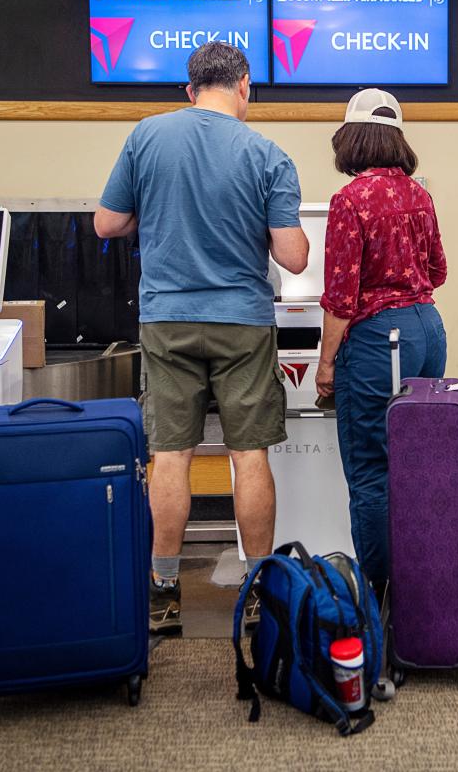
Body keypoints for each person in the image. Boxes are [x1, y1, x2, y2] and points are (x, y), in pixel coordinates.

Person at [95, 42, 309, 635]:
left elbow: (107, 224)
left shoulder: (146, 136)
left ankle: (164, 590)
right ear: (245, 87)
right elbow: (293, 258)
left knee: (170, 455)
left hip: (166, 322)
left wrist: (156, 214)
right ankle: (260, 588)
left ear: (189, 91)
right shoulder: (267, 153)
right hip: (242, 321)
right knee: (249, 455)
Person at [314, 89, 448, 587]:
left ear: (350, 138)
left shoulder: (350, 200)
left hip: (378, 340)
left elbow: (340, 297)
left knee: (371, 469)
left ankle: (380, 596)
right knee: (413, 460)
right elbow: (438, 270)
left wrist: (326, 365)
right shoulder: (420, 195)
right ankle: (420, 585)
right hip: (428, 329)